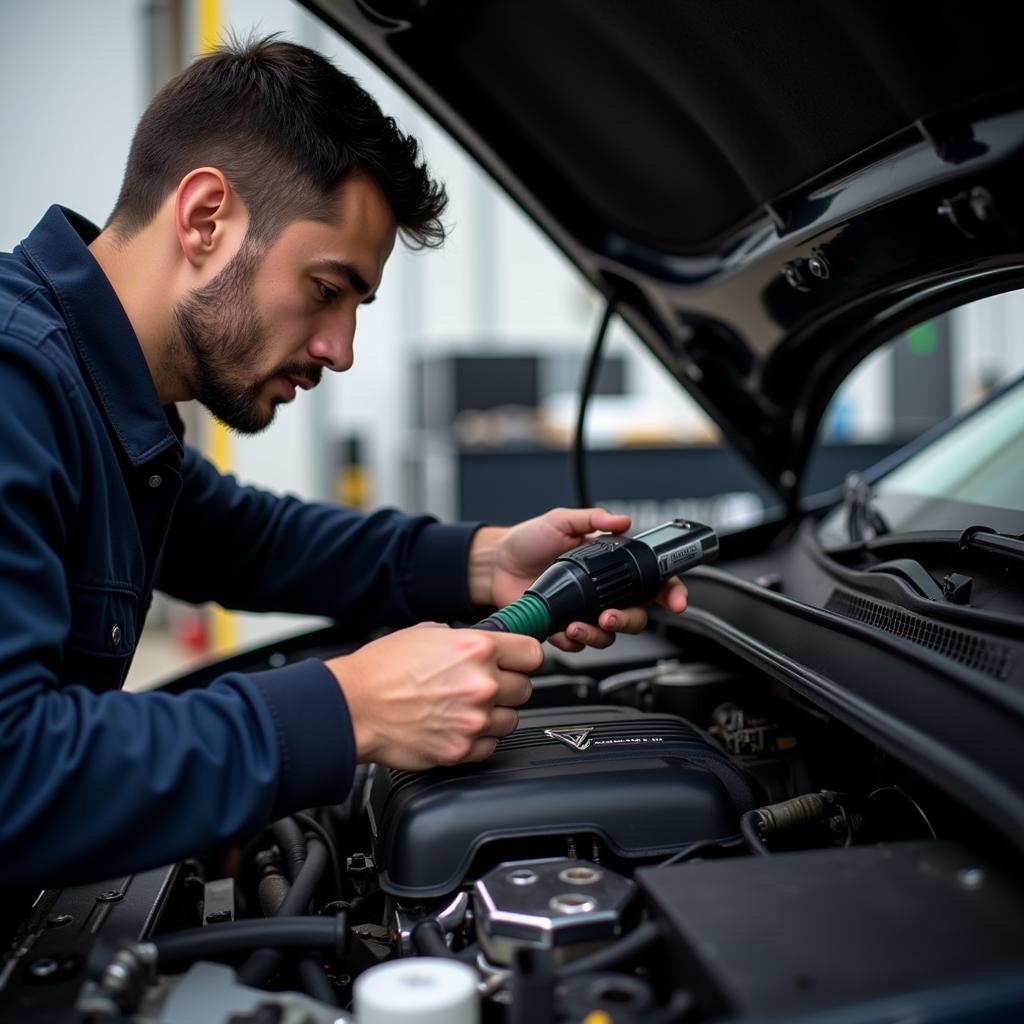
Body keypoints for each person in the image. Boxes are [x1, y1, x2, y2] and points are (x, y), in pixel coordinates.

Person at [0, 37, 687, 887]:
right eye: (327, 289)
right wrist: (350, 708)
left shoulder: (98, 401)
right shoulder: (14, 384)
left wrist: (484, 561)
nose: (342, 350)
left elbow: (246, 539)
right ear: (205, 218)